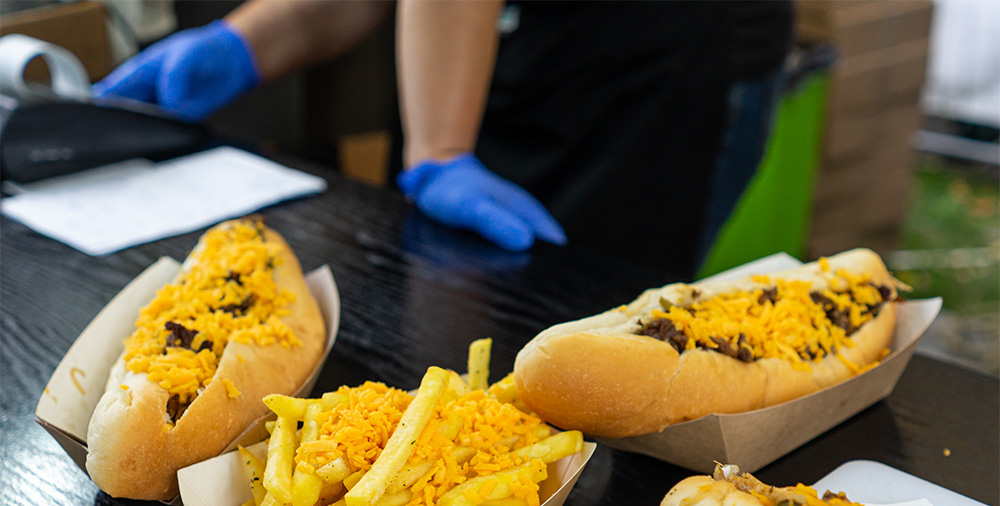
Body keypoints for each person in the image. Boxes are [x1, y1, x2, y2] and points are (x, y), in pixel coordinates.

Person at [93, 0, 792, 279]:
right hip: (506, 44)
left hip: (653, 60)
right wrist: (248, 42)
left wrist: (439, 148)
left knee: (588, 317)